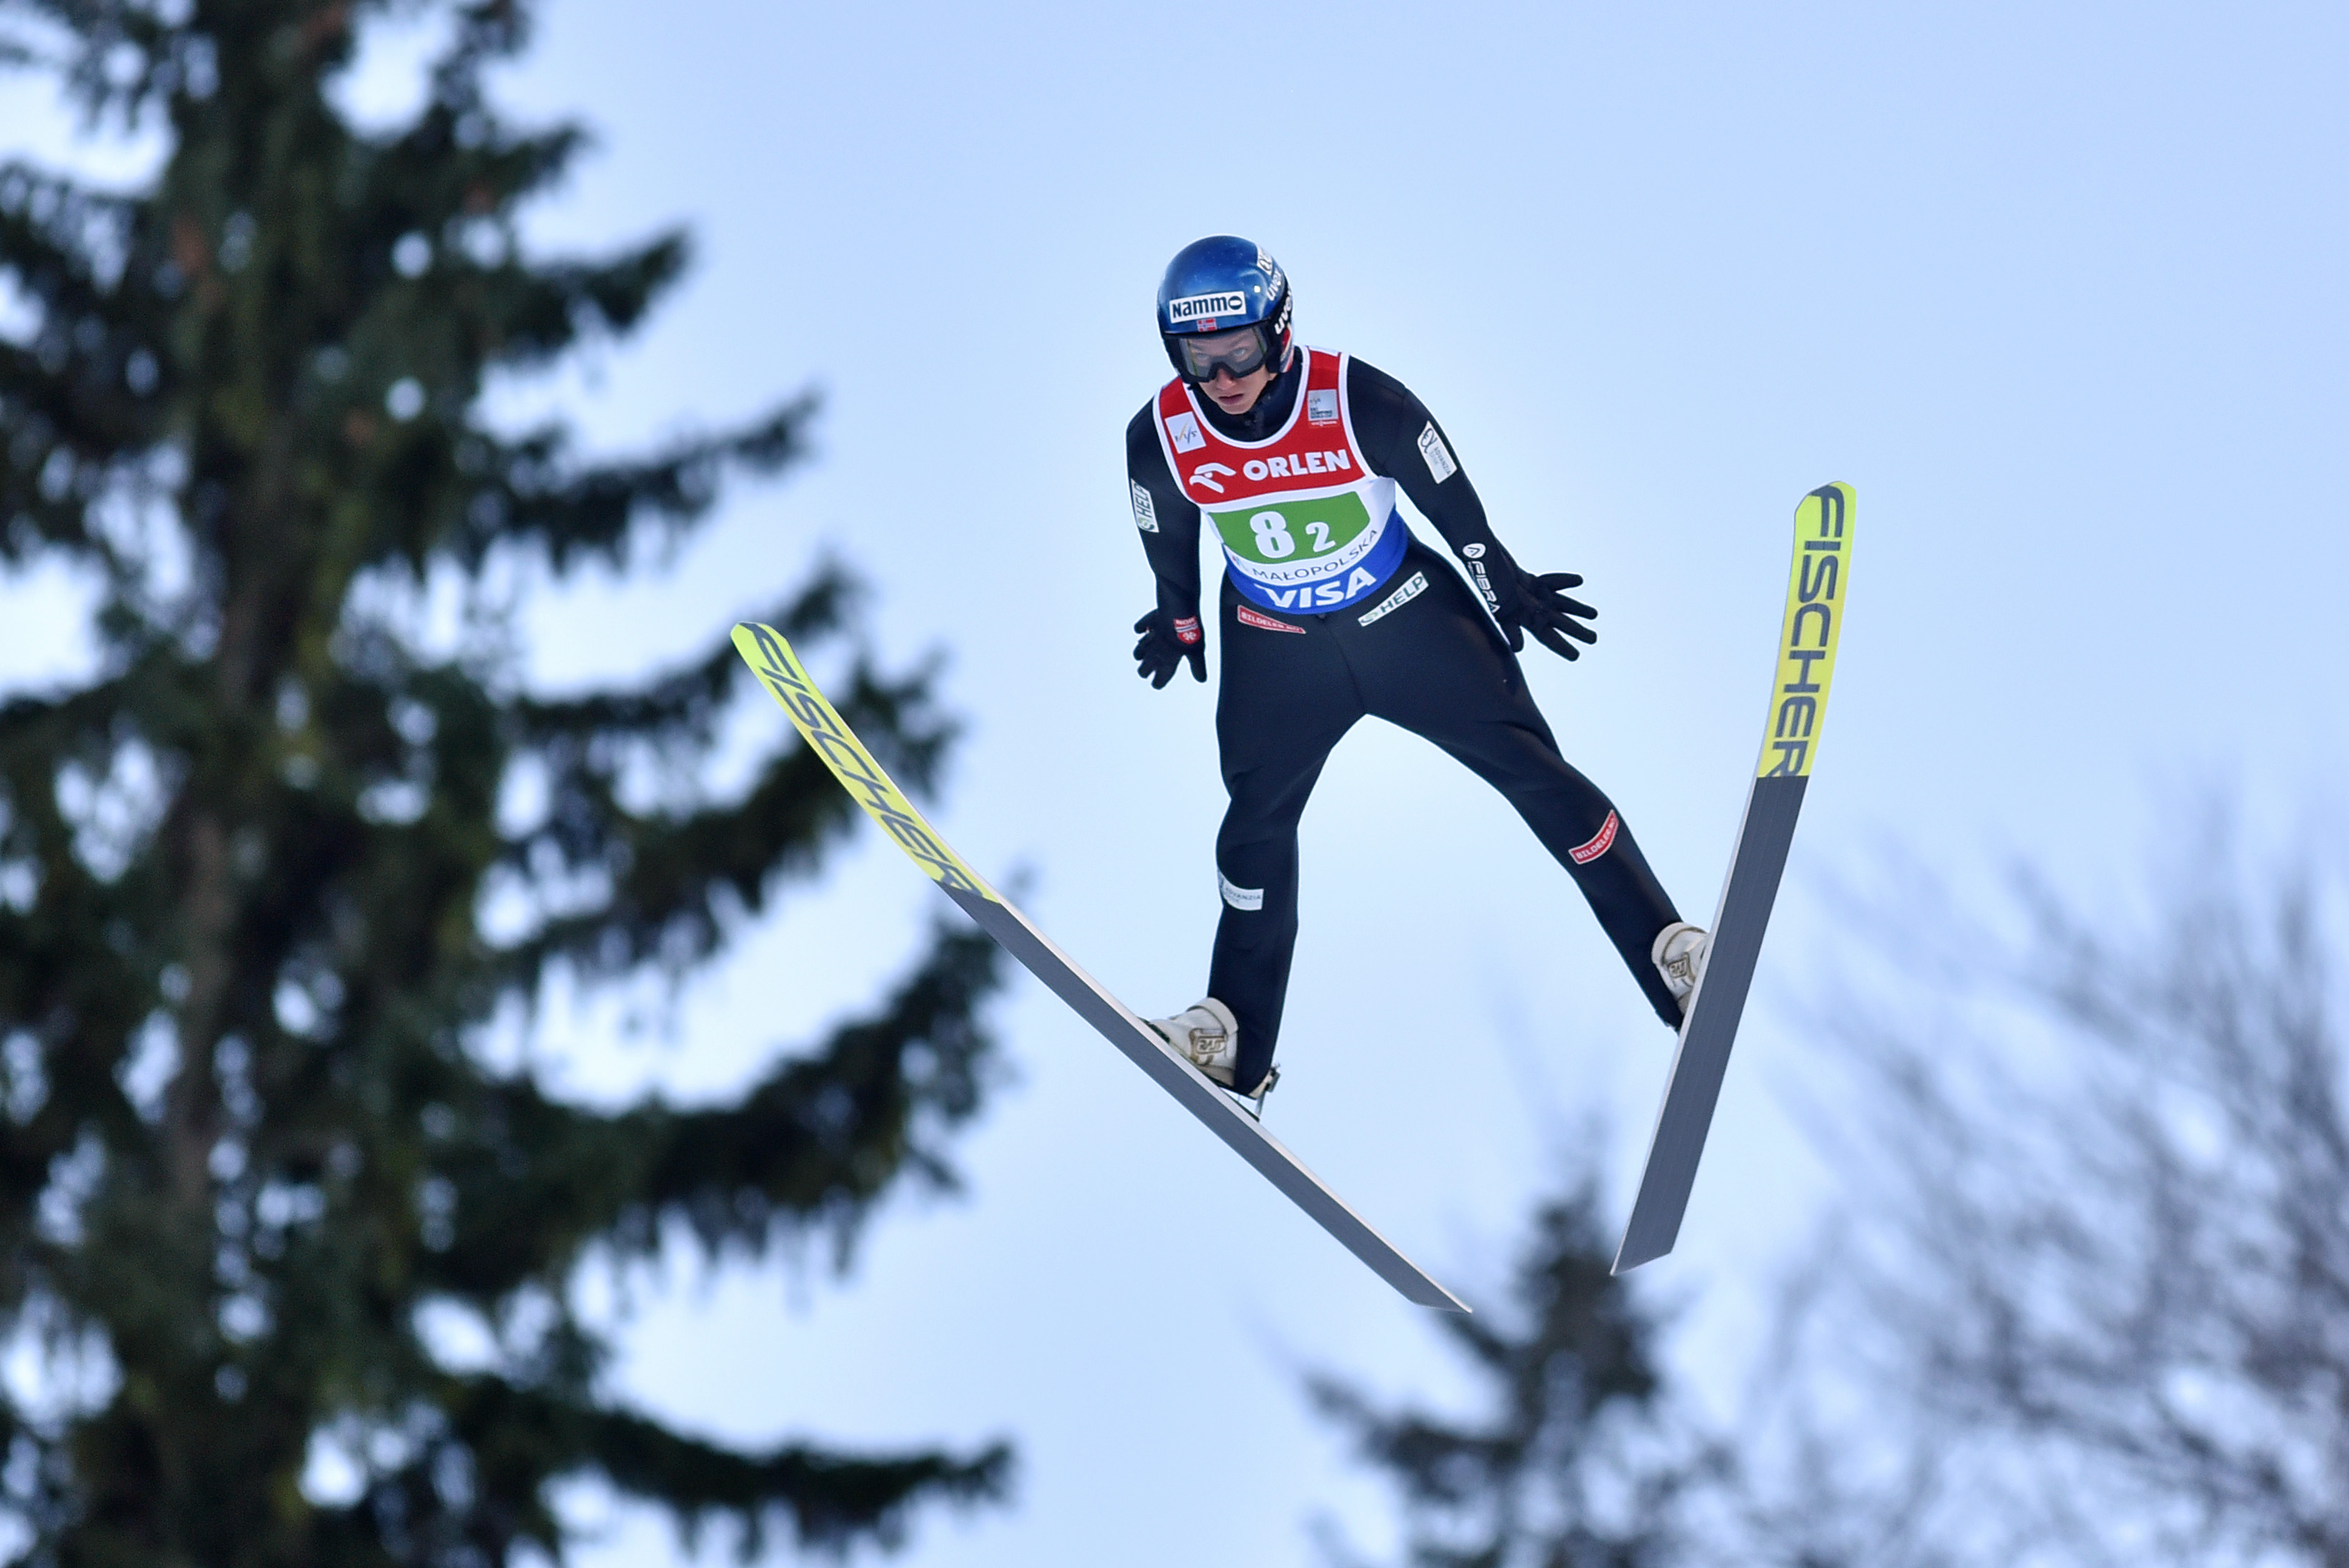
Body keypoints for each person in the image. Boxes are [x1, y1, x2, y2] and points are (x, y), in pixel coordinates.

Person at [1127, 236, 1706, 1107]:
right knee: (1251, 829)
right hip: (1274, 644)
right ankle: (1232, 1036)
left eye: (1238, 351)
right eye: (1197, 360)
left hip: (1405, 622)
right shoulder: (1160, 434)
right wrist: (1177, 619)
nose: (1222, 378)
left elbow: (1451, 501)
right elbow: (1168, 536)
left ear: (1278, 332)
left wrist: (1500, 579)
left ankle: (1670, 954)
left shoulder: (1358, 398)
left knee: (1536, 774)